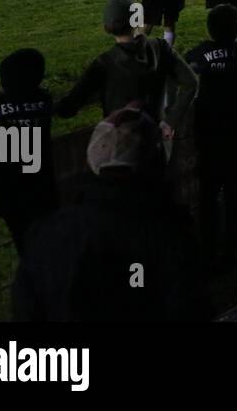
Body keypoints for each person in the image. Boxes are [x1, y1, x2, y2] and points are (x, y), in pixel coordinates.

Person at [11, 106, 211, 321]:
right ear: (156, 160)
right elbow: (191, 307)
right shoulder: (170, 234)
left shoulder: (48, 233)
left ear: (93, 159)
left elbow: (26, 310)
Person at [55, 0, 197, 141]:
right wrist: (170, 121)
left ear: (106, 27)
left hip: (118, 149)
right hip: (155, 143)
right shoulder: (161, 47)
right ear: (139, 21)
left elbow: (69, 107)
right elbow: (191, 82)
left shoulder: (104, 63)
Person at [0, 49, 57, 253]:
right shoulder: (44, 101)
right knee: (44, 242)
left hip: (9, 191)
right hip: (41, 188)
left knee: (25, 243)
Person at [185, 4, 237, 269]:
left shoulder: (203, 53)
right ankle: (233, 249)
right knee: (236, 190)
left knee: (208, 193)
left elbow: (188, 59)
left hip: (210, 133)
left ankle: (208, 251)